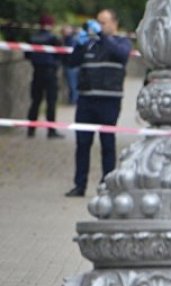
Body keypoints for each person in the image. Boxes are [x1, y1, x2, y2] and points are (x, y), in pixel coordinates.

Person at [65, 10, 132, 197]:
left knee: (108, 144)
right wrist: (79, 45)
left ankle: (107, 184)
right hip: (86, 100)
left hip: (109, 100)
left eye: (104, 23)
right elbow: (71, 63)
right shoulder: (89, 44)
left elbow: (121, 54)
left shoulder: (121, 42)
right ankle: (79, 185)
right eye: (98, 23)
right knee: (82, 144)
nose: (100, 26)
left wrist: (102, 36)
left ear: (114, 24)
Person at [26, 15, 62, 139]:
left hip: (37, 72)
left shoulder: (32, 38)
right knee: (51, 102)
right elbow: (60, 54)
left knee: (35, 101)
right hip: (50, 73)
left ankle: (31, 129)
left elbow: (27, 55)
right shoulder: (54, 38)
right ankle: (51, 131)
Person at [60, 25, 79, 105]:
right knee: (74, 84)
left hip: (70, 65)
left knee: (73, 84)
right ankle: (74, 100)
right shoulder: (73, 39)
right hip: (72, 65)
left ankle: (73, 101)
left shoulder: (69, 40)